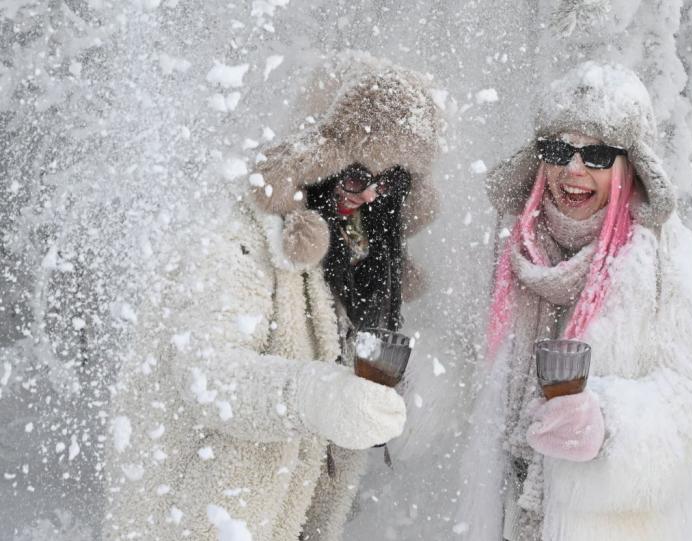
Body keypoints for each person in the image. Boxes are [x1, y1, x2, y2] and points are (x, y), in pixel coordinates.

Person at [103, 51, 441, 541]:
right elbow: (211, 377)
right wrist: (321, 395)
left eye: (389, 181)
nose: (370, 196)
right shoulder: (235, 238)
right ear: (316, 162)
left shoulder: (354, 253)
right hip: (193, 522)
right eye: (356, 176)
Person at [458, 62, 692, 541]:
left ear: (631, 165)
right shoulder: (511, 254)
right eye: (558, 149)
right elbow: (467, 376)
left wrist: (606, 424)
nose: (572, 169)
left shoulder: (678, 267)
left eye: (598, 155)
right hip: (510, 523)